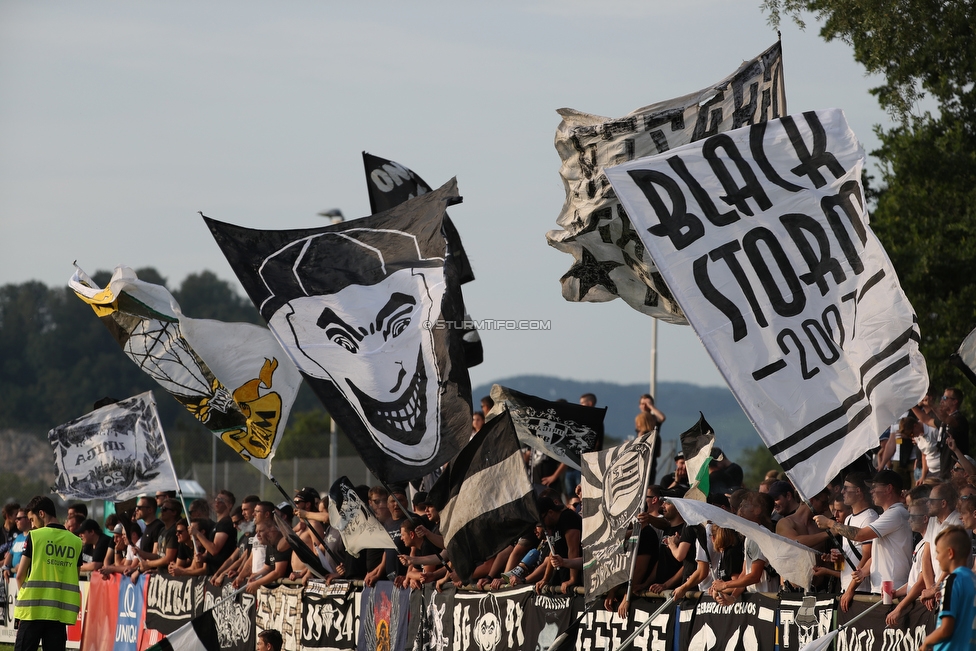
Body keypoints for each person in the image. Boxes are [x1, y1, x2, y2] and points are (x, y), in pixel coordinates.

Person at [814, 470, 912, 593]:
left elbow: (860, 535)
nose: (871, 491)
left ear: (888, 489)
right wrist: (862, 572)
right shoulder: (886, 515)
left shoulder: (895, 513)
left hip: (892, 587)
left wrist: (829, 523)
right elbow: (875, 554)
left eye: (875, 487)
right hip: (881, 588)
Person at [13, 495, 82, 651]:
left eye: (32, 519)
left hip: (32, 611)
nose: (32, 524)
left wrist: (24, 594)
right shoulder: (76, 542)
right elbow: (75, 577)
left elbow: (19, 575)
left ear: (42, 514)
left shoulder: (35, 536)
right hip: (58, 613)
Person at [919, 527, 976, 651]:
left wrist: (926, 643)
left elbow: (946, 629)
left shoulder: (952, 580)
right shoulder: (973, 580)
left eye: (938, 552)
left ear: (950, 553)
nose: (937, 558)